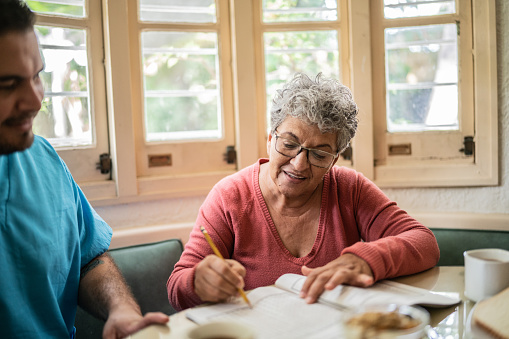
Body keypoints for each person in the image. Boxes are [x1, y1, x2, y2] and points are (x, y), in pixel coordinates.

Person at [167, 72, 440, 311]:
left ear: (334, 160)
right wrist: (198, 282)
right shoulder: (230, 196)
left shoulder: (350, 189)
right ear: (270, 139)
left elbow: (424, 242)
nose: (298, 164)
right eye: (289, 144)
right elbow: (177, 287)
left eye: (319, 155)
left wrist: (366, 260)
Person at [0, 1, 169, 337]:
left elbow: (89, 260)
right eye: (7, 84)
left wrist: (121, 308)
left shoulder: (43, 159)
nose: (35, 100)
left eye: (36, 76)